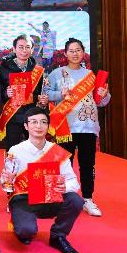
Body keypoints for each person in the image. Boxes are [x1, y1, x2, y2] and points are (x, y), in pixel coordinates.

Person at [0, 107, 84, 253]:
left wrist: (65, 187)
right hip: (24, 200)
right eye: (34, 122)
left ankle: (58, 235)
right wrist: (8, 180)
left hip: (51, 198)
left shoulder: (57, 151)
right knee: (26, 231)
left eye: (43, 122)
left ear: (48, 126)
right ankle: (22, 225)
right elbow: (5, 184)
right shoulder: (15, 150)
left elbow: (73, 181)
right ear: (26, 126)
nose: (38, 126)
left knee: (75, 200)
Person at [47, 38, 110, 217]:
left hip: (88, 126)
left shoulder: (91, 75)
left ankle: (88, 199)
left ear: (83, 52)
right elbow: (45, 95)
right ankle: (62, 198)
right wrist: (60, 94)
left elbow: (102, 102)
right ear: (65, 54)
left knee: (87, 164)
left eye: (78, 50)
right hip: (65, 126)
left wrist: (104, 94)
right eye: (71, 51)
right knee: (64, 164)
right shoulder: (56, 74)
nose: (75, 54)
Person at [0, 34, 48, 151]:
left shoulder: (37, 70)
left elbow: (40, 93)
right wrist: (6, 93)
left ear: (32, 49)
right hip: (13, 115)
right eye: (21, 47)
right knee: (12, 150)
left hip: (32, 116)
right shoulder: (3, 69)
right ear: (14, 49)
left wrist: (42, 99)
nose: (24, 50)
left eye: (27, 47)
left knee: (35, 149)